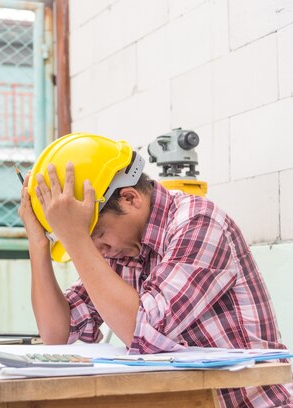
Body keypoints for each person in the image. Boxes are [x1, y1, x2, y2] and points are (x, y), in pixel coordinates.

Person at [18, 134, 293, 407]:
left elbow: (145, 335)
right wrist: (38, 244)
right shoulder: (121, 247)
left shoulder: (198, 222)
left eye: (98, 235)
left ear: (129, 198)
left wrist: (76, 239)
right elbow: (57, 333)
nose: (98, 251)